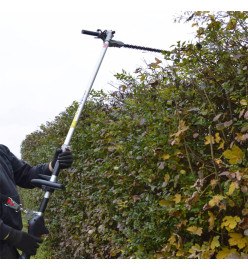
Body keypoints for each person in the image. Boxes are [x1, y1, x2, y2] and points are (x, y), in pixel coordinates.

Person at [0, 144, 73, 259]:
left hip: (7, 246)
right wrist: (11, 235)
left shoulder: (1, 152)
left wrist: (52, 166)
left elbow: (26, 174)